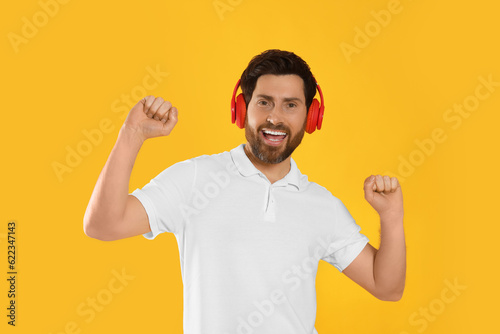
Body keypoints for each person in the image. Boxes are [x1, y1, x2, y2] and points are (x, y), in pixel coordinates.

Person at [83, 49, 406, 334]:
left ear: (311, 116)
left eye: (290, 105)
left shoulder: (322, 205)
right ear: (241, 108)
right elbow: (103, 224)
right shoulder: (196, 178)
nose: (274, 117)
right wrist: (132, 133)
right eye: (264, 102)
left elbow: (387, 287)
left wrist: (391, 217)